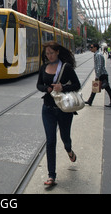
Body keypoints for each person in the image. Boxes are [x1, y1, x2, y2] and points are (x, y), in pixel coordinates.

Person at [36, 41, 81, 187]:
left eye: (51, 53)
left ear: (57, 52)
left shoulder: (66, 67)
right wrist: (46, 89)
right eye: (47, 53)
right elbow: (39, 84)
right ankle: (51, 176)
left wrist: (63, 87)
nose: (49, 56)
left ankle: (69, 150)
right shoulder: (44, 67)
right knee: (50, 142)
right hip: (47, 109)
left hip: (64, 109)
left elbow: (77, 85)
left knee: (65, 137)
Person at [85, 43, 111, 108]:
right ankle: (90, 101)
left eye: (92, 47)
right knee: (97, 86)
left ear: (95, 48)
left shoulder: (98, 55)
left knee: (107, 88)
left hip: (102, 74)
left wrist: (97, 76)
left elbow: (99, 65)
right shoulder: (97, 54)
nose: (90, 48)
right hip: (102, 74)